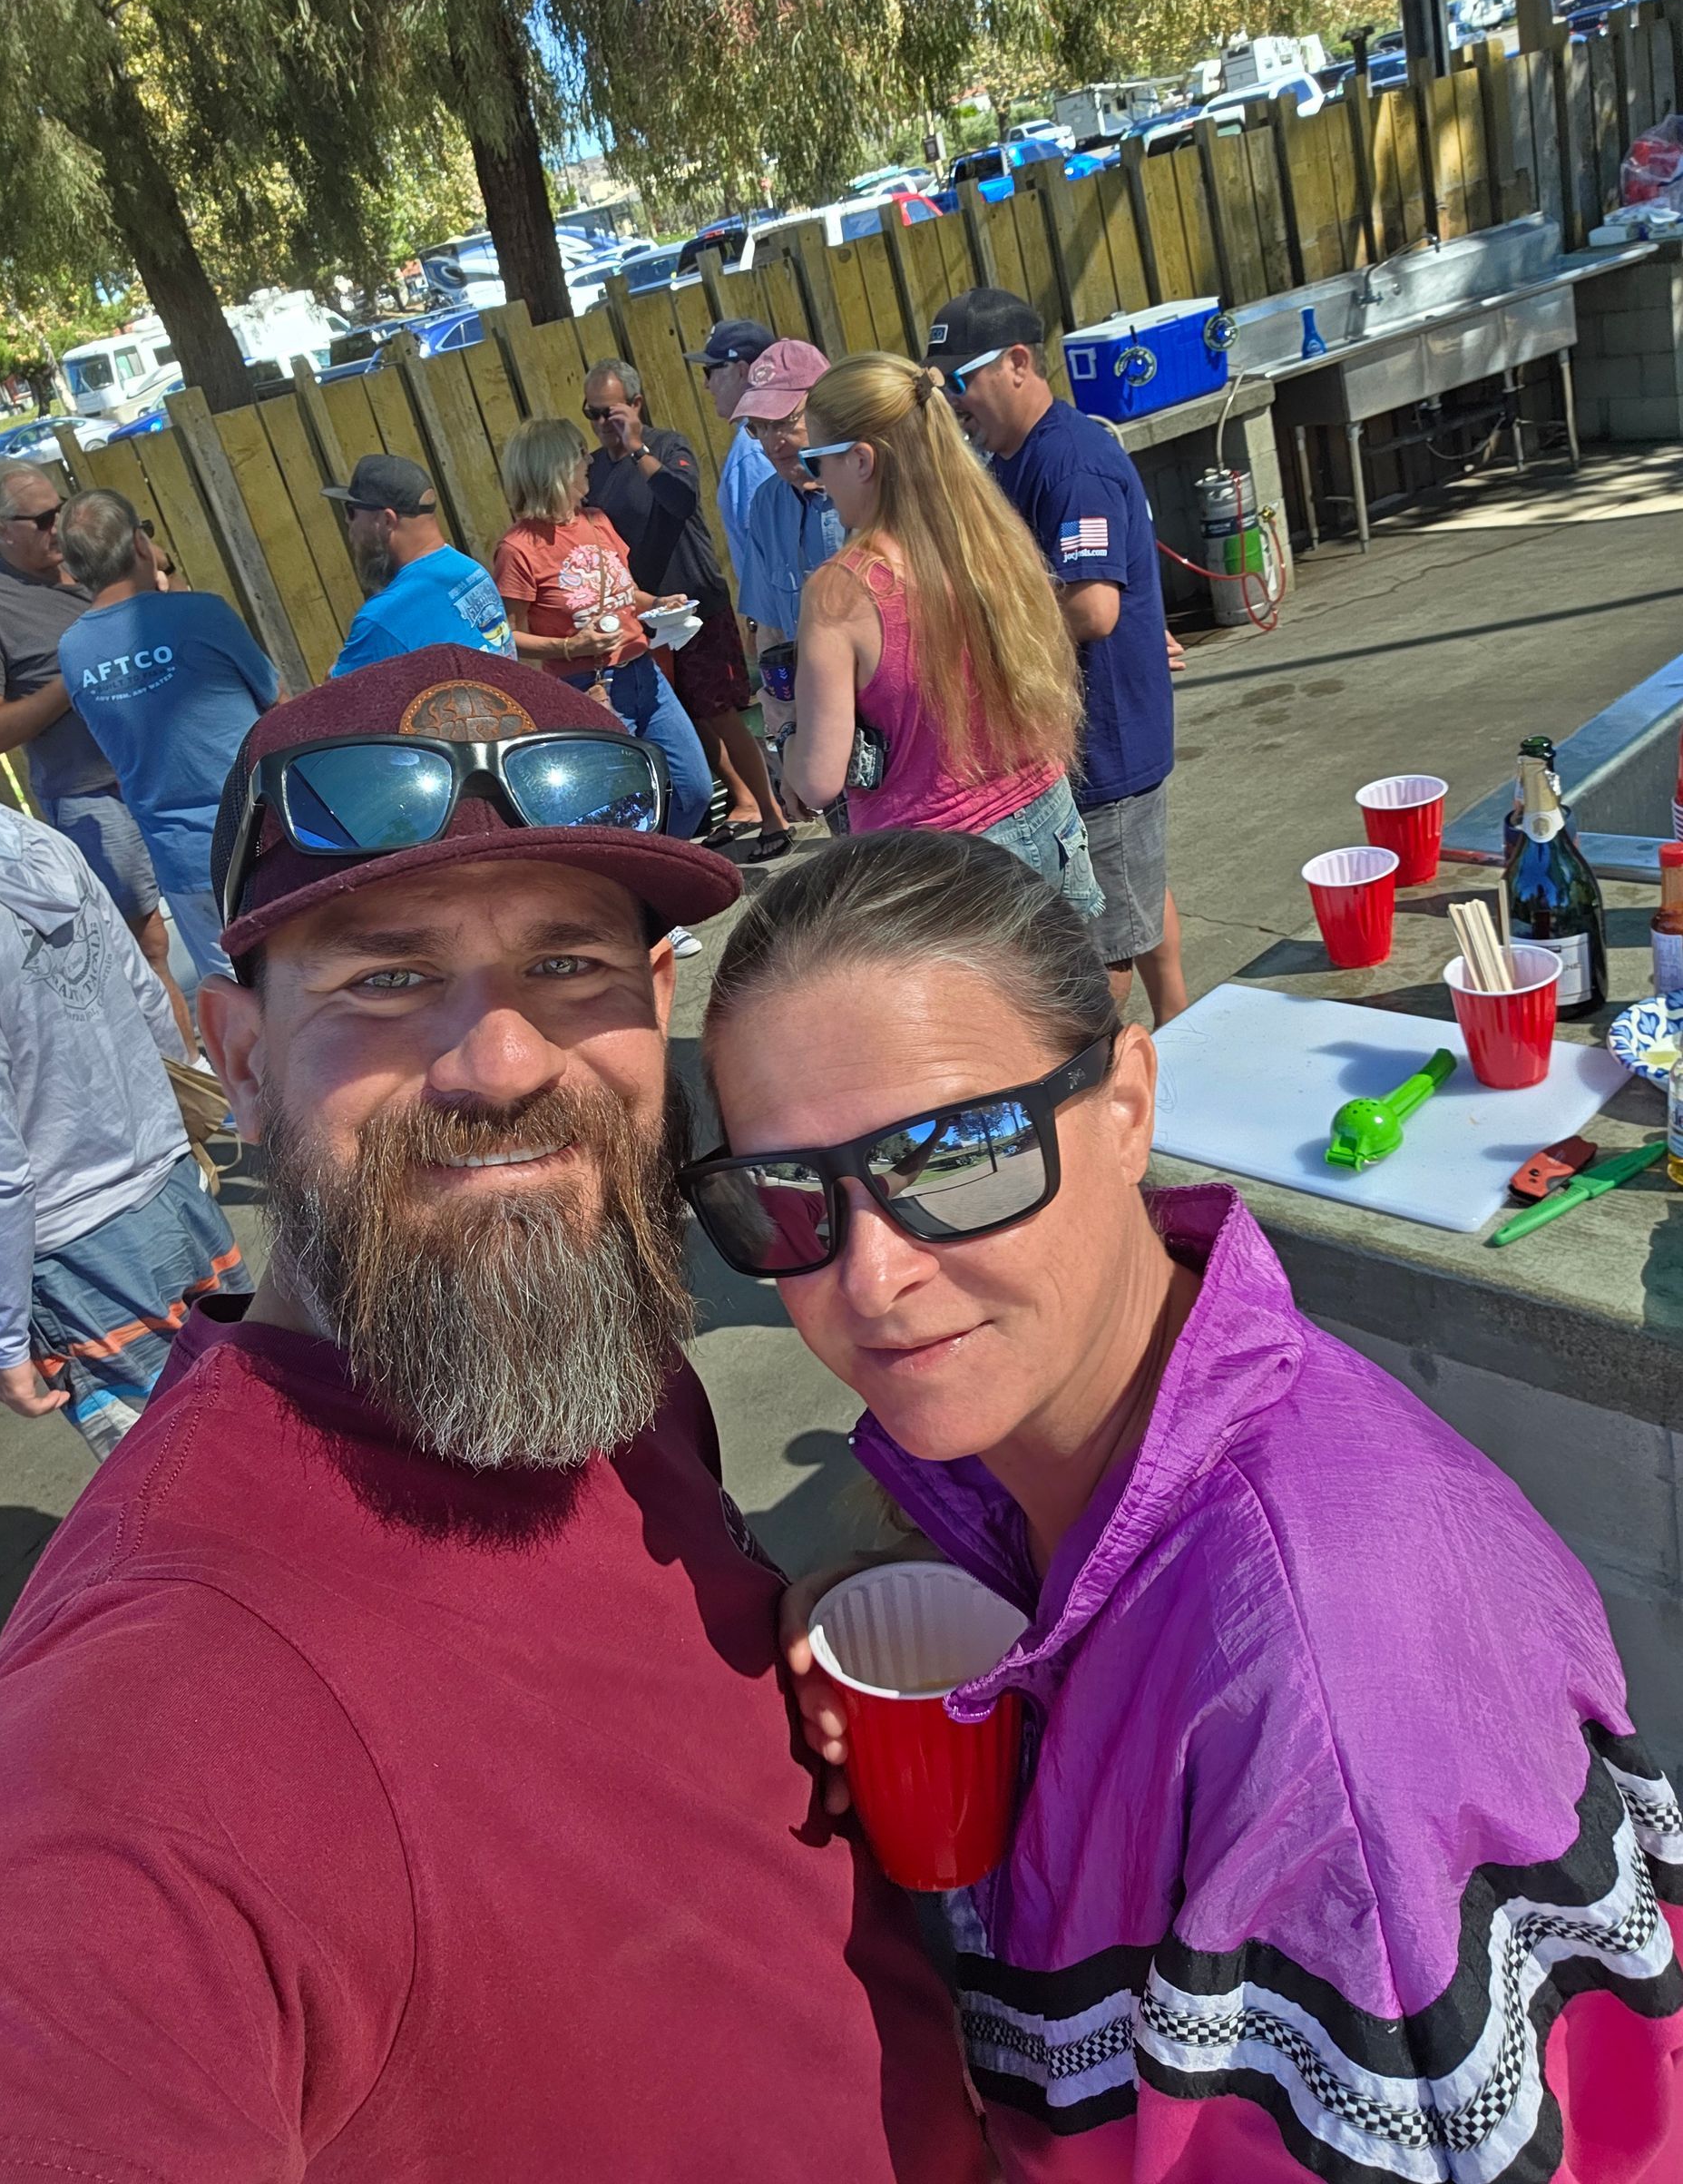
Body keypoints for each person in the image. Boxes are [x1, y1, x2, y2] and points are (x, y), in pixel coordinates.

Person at [0, 653, 990, 2180]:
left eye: (570, 966)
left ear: (657, 1005)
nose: (501, 1063)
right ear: (236, 1055)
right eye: (385, 978)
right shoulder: (137, 1751)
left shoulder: (597, 1373)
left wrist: (777, 1637)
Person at [682, 828, 1683, 2184]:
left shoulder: (1323, 1718)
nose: (869, 1279)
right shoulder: (1021, 1463)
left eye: (957, 1155)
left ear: (1129, 1103)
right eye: (786, 1199)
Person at [0, 795, 248, 1462]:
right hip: (175, 1195)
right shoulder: (29, 838)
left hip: (77, 1256)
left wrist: (1, 1340)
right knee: (274, 1407)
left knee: (177, 1483)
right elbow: (148, 1001)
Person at [925, 289, 1191, 1024]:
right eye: (938, 384)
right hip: (1081, 735)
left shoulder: (1069, 462)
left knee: (1101, 945)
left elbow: (1093, 607)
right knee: (1137, 892)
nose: (951, 401)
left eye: (959, 380)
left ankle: (1083, 1079)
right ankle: (1184, 1030)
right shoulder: (1010, 459)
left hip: (1103, 745)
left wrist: (978, 637)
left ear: (1018, 363)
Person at [780, 350, 1104, 920]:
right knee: (1070, 999)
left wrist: (786, 740)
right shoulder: (992, 535)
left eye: (817, 459)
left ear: (861, 460)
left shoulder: (839, 590)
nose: (815, 479)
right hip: (1047, 814)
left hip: (935, 866)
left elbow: (817, 780)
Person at [0, 459, 194, 1045]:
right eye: (40, 520)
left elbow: (177, 616)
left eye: (60, 509)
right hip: (92, 795)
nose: (58, 527)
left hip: (165, 773)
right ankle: (192, 1082)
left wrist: (166, 570)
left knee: (221, 909)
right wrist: (74, 678)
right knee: (144, 945)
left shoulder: (89, 561)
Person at [494, 417, 714, 955]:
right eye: (578, 457)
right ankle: (647, 917)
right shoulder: (518, 549)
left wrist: (658, 604)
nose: (589, 463)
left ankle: (649, 891)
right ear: (553, 468)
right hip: (587, 689)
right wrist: (571, 647)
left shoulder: (597, 520)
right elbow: (509, 638)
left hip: (644, 673)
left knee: (691, 790)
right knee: (622, 807)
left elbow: (626, 590)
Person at [57, 488, 279, 984]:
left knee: (234, 994)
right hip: (261, 834)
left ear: (73, 569)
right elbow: (274, 696)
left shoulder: (72, 652)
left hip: (181, 860)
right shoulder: (203, 613)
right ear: (140, 544)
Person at [582, 357, 791, 859]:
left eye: (607, 411)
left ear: (635, 404)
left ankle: (773, 814)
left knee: (720, 711)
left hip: (693, 602)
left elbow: (680, 498)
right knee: (687, 715)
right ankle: (740, 801)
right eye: (590, 413)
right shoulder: (591, 470)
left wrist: (636, 450)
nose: (599, 423)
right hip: (644, 612)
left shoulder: (668, 446)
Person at [325, 453, 514, 677]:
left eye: (351, 510)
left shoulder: (383, 619)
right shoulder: (472, 572)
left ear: (387, 520)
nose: (348, 521)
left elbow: (334, 701)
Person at [729, 338, 846, 680]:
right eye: (759, 427)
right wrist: (784, 723)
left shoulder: (877, 485)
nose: (770, 443)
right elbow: (771, 633)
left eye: (783, 422)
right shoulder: (767, 504)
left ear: (825, 407)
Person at [684, 317, 777, 593]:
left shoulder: (753, 451)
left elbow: (769, 554)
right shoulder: (759, 440)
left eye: (709, 371)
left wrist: (758, 626)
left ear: (740, 370)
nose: (706, 385)